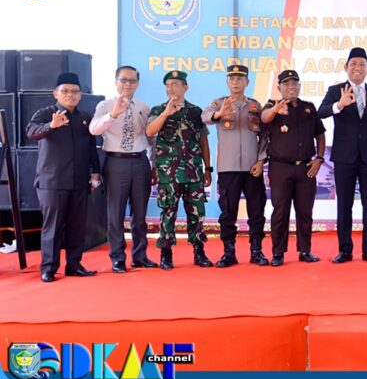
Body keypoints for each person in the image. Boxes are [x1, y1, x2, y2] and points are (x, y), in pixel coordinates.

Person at [318, 47, 367, 263]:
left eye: (362, 64)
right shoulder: (336, 90)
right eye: (353, 64)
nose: (357, 68)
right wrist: (339, 105)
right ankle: (345, 250)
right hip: (344, 157)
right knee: (344, 205)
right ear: (346, 67)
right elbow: (320, 112)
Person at [26, 72, 101, 282]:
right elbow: (31, 132)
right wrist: (51, 126)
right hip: (52, 182)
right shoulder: (45, 113)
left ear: (80, 95)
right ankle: (48, 268)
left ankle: (74, 265)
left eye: (75, 91)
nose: (70, 95)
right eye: (65, 91)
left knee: (77, 226)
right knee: (53, 226)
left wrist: (95, 171)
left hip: (79, 180)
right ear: (56, 94)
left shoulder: (85, 117)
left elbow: (92, 147)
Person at [90, 65, 156, 273]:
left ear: (137, 83)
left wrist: (153, 163)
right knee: (115, 213)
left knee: (140, 213)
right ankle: (117, 258)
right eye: (124, 80)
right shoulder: (105, 105)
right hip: (115, 162)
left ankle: (140, 255)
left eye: (132, 80)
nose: (128, 84)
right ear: (116, 82)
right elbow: (94, 130)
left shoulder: (144, 107)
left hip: (140, 162)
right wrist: (113, 114)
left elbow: (151, 138)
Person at [202, 65, 268, 267]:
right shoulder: (218, 103)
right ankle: (228, 252)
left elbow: (265, 136)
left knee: (256, 210)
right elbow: (204, 117)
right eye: (232, 78)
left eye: (240, 78)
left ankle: (256, 251)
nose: (236, 82)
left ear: (247, 82)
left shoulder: (255, 105)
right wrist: (220, 113)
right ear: (227, 82)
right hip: (227, 167)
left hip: (252, 168)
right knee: (228, 212)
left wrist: (261, 160)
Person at [146, 70, 213, 270]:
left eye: (175, 84)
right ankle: (166, 253)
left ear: (185, 87)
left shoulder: (195, 112)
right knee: (168, 212)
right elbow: (150, 132)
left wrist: (208, 168)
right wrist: (166, 113)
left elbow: (203, 141)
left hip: (193, 171)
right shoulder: (158, 110)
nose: (171, 88)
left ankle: (199, 251)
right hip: (168, 172)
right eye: (168, 85)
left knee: (197, 213)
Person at [261, 69, 326, 266]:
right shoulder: (272, 105)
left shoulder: (309, 108)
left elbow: (320, 133)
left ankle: (305, 250)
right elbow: (264, 118)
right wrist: (275, 110)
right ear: (279, 87)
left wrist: (319, 158)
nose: (291, 87)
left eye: (294, 83)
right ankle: (278, 252)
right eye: (287, 84)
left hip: (306, 168)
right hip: (280, 167)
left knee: (305, 211)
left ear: (299, 86)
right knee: (280, 211)